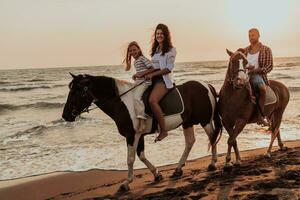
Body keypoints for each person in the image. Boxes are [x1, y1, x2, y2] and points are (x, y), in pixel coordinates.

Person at [144, 24, 177, 142]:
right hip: (153, 79)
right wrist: (141, 74)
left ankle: (164, 131)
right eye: (157, 34)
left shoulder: (171, 50)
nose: (159, 35)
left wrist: (152, 75)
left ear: (166, 35)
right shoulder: (155, 50)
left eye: (162, 33)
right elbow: (154, 67)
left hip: (164, 80)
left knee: (152, 101)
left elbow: (168, 68)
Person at [123, 41, 156, 132]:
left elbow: (152, 68)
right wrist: (136, 75)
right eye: (131, 51)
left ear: (139, 49)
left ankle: (142, 121)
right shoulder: (136, 62)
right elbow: (141, 71)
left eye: (134, 49)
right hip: (139, 82)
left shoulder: (142, 58)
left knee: (137, 97)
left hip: (146, 82)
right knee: (127, 94)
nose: (133, 52)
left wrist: (141, 74)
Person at [244, 28, 273, 126]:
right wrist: (246, 68)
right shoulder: (245, 50)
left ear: (258, 36)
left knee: (262, 89)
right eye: (249, 36)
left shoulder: (266, 50)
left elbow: (269, 66)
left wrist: (256, 70)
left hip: (257, 75)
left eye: (253, 35)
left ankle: (260, 116)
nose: (250, 38)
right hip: (244, 75)